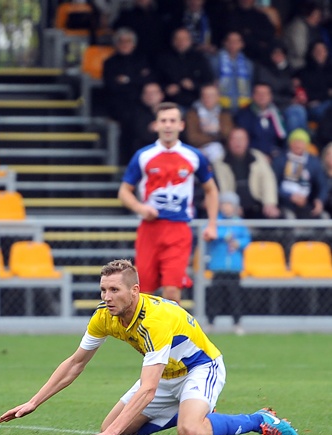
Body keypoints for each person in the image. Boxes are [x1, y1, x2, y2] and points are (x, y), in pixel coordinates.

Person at [0, 259, 298, 435]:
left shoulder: (155, 320)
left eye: (114, 290)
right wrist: (33, 402)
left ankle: (258, 419)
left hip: (200, 367)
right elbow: (75, 364)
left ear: (134, 291)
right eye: (103, 289)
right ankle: (190, 408)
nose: (107, 296)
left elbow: (148, 387)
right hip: (167, 376)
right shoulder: (104, 316)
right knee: (112, 425)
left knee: (190, 431)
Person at [118, 102, 219, 303]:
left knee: (172, 291)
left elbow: (211, 190)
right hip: (150, 229)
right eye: (163, 121)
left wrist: (212, 224)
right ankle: (145, 333)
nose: (167, 125)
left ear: (181, 125)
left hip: (178, 228)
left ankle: (172, 334)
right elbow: (124, 191)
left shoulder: (194, 156)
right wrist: (140, 207)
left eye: (172, 121)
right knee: (143, 290)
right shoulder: (144, 156)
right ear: (156, 125)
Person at [205, 192, 250, 336]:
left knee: (235, 297)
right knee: (215, 296)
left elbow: (247, 239)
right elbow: (211, 234)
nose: (226, 207)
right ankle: (210, 322)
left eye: (229, 204)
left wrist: (239, 243)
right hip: (218, 266)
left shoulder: (239, 223)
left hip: (234, 268)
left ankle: (237, 323)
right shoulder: (215, 222)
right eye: (223, 204)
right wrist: (225, 236)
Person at [212, 127, 281, 219]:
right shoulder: (220, 163)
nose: (238, 142)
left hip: (257, 205)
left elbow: (268, 181)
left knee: (276, 217)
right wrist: (230, 205)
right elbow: (221, 187)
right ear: (229, 142)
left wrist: (270, 203)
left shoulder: (258, 158)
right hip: (231, 208)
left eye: (241, 139)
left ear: (247, 141)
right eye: (234, 139)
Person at [272, 128, 327, 220]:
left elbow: (322, 184)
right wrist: (289, 196)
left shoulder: (314, 162)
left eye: (301, 142)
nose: (298, 144)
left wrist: (319, 200)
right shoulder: (280, 160)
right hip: (284, 202)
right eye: (295, 141)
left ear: (307, 145)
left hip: (307, 202)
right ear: (290, 143)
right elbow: (273, 184)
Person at [101, 28, 153, 125]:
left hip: (140, 101)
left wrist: (126, 80)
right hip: (119, 103)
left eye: (128, 41)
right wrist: (135, 78)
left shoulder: (142, 60)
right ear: (116, 44)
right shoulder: (109, 63)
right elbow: (111, 86)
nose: (124, 44)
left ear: (134, 44)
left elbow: (147, 81)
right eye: (121, 41)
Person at [154, 27, 214, 110]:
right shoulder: (164, 58)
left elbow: (209, 82)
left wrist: (194, 85)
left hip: (196, 104)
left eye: (184, 39)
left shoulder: (199, 58)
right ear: (173, 41)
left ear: (190, 41)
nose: (181, 42)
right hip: (171, 103)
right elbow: (155, 80)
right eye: (178, 39)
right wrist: (166, 88)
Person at [233, 83, 287, 160]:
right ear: (253, 96)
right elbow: (243, 140)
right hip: (251, 156)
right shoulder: (244, 114)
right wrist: (260, 156)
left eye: (265, 94)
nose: (262, 97)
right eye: (258, 94)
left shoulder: (277, 114)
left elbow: (282, 140)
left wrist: (273, 155)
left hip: (273, 157)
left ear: (270, 96)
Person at [184, 83, 234, 163]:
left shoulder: (224, 113)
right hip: (198, 149)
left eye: (211, 96)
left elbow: (228, 134)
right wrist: (216, 135)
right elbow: (193, 138)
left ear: (218, 97)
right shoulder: (193, 113)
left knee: (217, 149)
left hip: (222, 150)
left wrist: (216, 130)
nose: (207, 98)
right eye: (205, 95)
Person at [211, 31, 253, 113]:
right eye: (230, 41)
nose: (233, 44)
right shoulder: (215, 61)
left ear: (242, 44)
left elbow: (251, 84)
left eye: (236, 41)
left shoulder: (249, 64)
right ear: (225, 43)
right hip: (220, 106)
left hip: (243, 106)